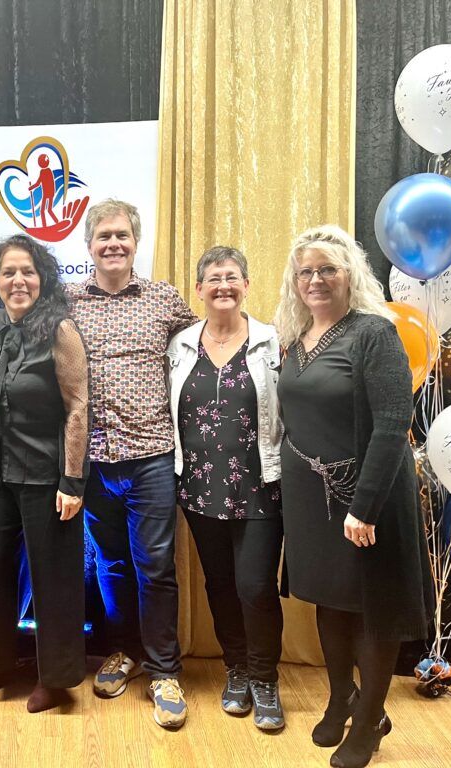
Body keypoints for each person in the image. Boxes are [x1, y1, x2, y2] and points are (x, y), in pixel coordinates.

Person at [273, 225, 431, 768]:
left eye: (327, 270)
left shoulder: (374, 333)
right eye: (306, 271)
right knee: (328, 599)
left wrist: (364, 506)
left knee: (370, 609)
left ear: (350, 276)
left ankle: (370, 720)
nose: (315, 280)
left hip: (367, 497)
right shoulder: (295, 339)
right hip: (309, 498)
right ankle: (342, 696)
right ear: (295, 282)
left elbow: (393, 423)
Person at [66, 199, 197, 729]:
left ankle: (165, 669)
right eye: (103, 237)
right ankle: (124, 652)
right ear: (89, 246)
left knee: (156, 568)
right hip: (94, 460)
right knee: (112, 565)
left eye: (122, 235)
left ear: (136, 243)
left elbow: (210, 340)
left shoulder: (164, 297)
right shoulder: (69, 300)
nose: (113, 244)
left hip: (152, 458)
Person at [166, 246, 286, 731]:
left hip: (260, 485)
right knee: (219, 585)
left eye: (231, 277)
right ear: (198, 290)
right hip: (197, 487)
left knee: (255, 587)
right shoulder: (179, 346)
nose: (222, 287)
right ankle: (236, 669)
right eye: (213, 279)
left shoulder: (274, 343)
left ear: (246, 285)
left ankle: (264, 677)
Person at [0, 234, 90, 713]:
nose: (18, 280)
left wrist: (72, 480)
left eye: (27, 271)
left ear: (42, 278)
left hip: (47, 478)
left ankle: (55, 677)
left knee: (54, 579)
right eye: (8, 272)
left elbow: (79, 407)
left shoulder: (60, 329)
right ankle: (2, 662)